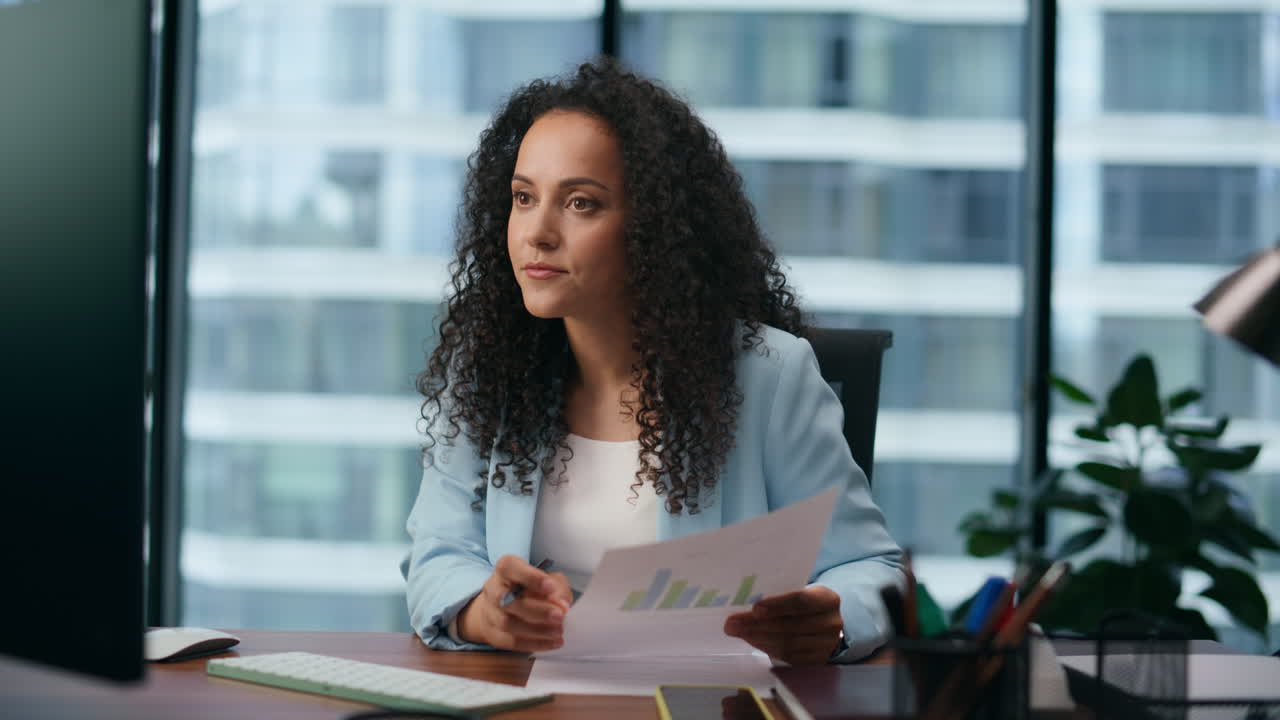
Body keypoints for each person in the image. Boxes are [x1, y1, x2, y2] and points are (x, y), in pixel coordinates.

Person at [401, 58, 903, 665]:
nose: (537, 232)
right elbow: (437, 553)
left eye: (581, 203)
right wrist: (483, 612)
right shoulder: (489, 372)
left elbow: (870, 567)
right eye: (524, 197)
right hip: (529, 698)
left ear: (655, 228)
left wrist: (835, 620)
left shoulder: (768, 374)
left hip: (702, 698)